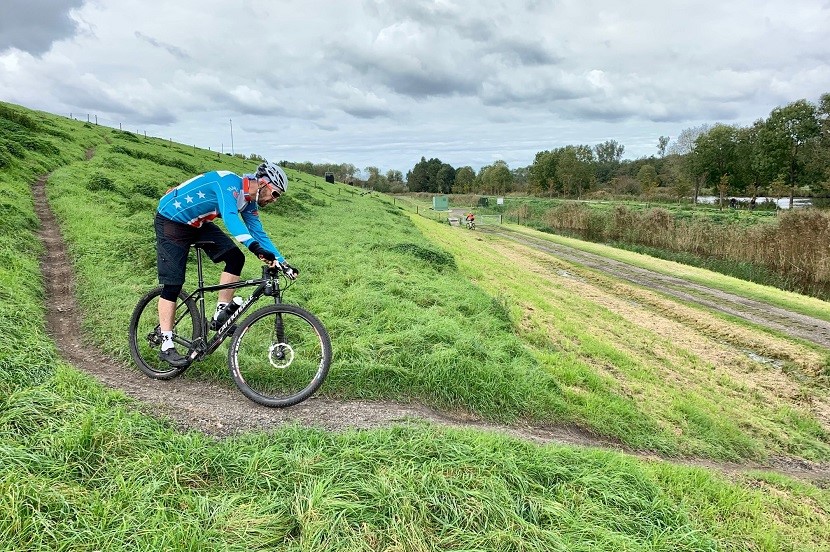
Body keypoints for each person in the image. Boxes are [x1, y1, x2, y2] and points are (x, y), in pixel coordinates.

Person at [154, 160, 298, 367]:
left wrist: (283, 262)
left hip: (198, 223)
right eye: (275, 194)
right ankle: (166, 344)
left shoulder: (249, 202)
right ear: (264, 184)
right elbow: (231, 218)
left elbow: (259, 233)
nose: (275, 200)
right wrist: (255, 248)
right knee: (173, 284)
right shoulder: (229, 183)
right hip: (172, 219)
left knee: (235, 258)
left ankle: (220, 314)